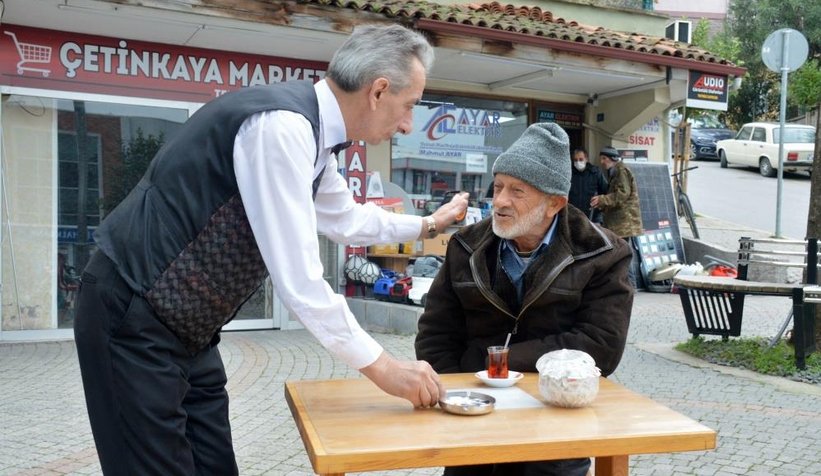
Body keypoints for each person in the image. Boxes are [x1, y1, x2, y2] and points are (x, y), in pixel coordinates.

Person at [73, 24, 468, 475]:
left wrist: (428, 223)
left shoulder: (318, 141)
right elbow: (299, 282)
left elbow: (349, 218)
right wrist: (385, 368)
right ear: (379, 91)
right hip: (131, 311)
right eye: (410, 105)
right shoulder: (282, 128)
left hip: (188, 330)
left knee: (216, 465)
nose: (407, 125)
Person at [415, 123, 633, 476]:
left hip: (556, 433)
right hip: (473, 429)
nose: (500, 201)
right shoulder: (465, 247)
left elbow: (600, 346)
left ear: (554, 203)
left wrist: (497, 364)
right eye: (498, 186)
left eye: (517, 191)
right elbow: (435, 334)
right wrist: (462, 397)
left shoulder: (602, 253)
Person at [590, 146, 643, 288]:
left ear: (612, 158)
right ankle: (626, 285)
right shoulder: (615, 171)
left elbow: (622, 194)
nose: (602, 162)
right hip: (620, 223)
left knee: (622, 254)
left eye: (604, 158)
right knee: (621, 253)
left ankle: (629, 285)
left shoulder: (621, 170)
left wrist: (602, 200)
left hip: (623, 223)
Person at [568, 147, 608, 224]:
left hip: (593, 217)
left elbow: (606, 191)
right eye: (575, 160)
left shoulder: (595, 172)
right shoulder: (570, 174)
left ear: (586, 159)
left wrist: (600, 199)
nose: (578, 162)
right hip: (573, 217)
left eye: (581, 159)